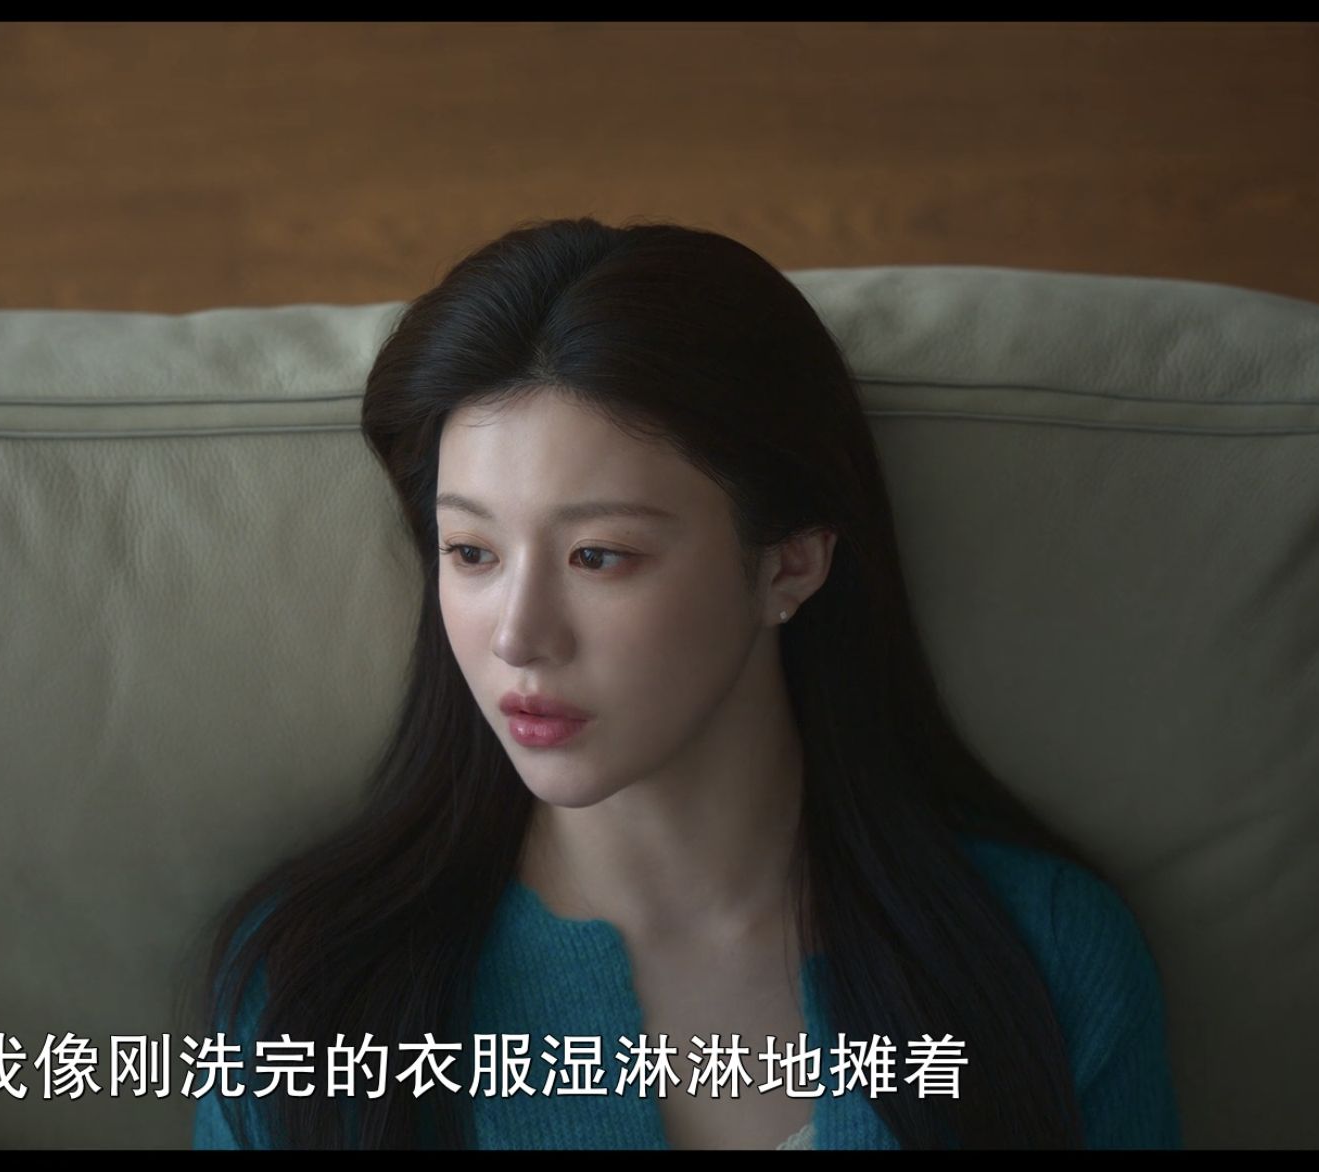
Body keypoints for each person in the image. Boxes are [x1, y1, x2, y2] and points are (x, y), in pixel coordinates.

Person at [187, 217, 1182, 1149]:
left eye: (600, 555)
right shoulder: (316, 989)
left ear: (790, 562)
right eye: (472, 551)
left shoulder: (1044, 955)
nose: (519, 636)